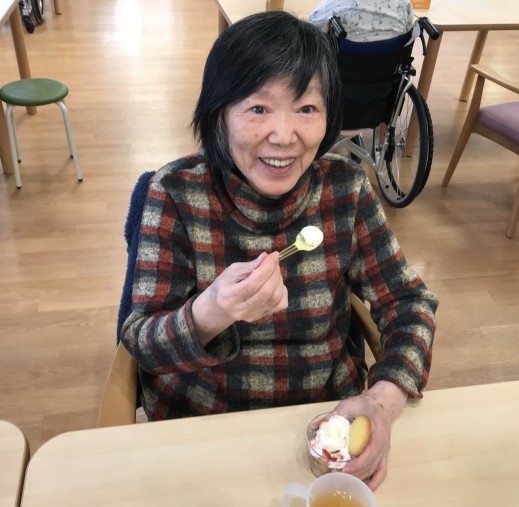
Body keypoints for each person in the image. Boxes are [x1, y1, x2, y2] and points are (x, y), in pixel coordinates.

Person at [120, 10, 438, 490]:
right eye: (258, 109)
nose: (284, 136)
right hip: (203, 434)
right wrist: (210, 312)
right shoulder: (176, 193)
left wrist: (382, 400)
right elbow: (142, 341)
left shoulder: (346, 190)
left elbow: (410, 303)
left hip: (323, 430)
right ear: (218, 113)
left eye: (306, 109)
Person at [308, 0, 415, 42]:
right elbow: (410, 32)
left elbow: (309, 33)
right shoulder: (403, 4)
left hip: (341, 73)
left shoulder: (329, 6)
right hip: (389, 72)